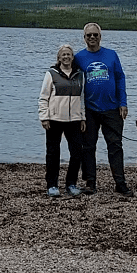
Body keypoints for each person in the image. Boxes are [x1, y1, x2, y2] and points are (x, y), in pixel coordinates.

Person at [75, 23, 133, 197]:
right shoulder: (79, 58)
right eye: (89, 35)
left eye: (95, 35)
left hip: (112, 108)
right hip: (89, 110)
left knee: (115, 146)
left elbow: (120, 79)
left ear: (100, 36)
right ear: (84, 38)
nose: (92, 37)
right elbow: (72, 80)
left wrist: (123, 102)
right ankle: (90, 183)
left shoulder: (111, 55)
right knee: (88, 147)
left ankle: (120, 183)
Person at [38, 44, 86, 198]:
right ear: (59, 58)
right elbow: (43, 97)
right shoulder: (51, 74)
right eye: (63, 54)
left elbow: (82, 99)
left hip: (74, 120)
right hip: (54, 120)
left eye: (68, 54)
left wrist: (83, 117)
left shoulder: (80, 75)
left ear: (72, 57)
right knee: (53, 153)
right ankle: (52, 185)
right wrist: (44, 117)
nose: (66, 57)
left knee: (77, 153)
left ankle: (71, 184)